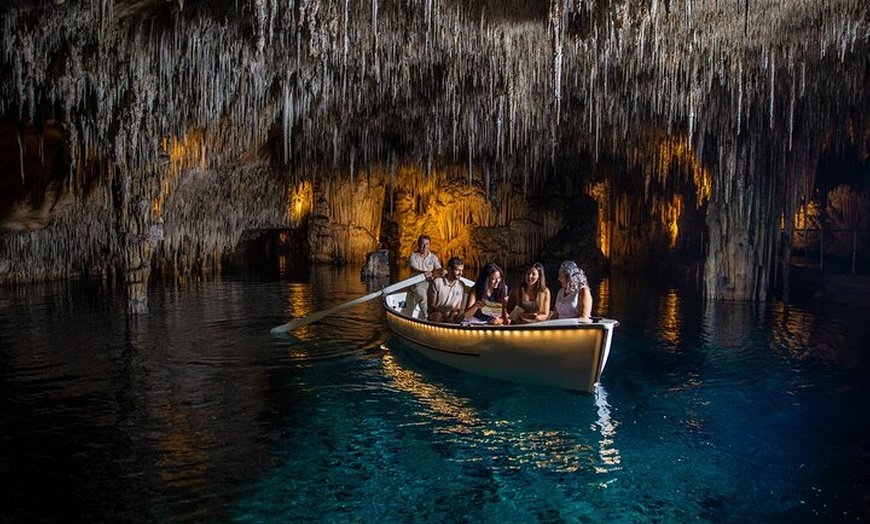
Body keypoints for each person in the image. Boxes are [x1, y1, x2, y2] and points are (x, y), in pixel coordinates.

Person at [406, 234, 443, 318]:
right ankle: (426, 317)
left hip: (430, 282)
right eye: (423, 244)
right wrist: (423, 273)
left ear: (429, 245)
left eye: (427, 244)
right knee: (423, 296)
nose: (425, 246)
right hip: (416, 281)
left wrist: (442, 271)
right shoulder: (413, 255)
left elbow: (438, 268)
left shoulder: (433, 257)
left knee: (441, 292)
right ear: (419, 244)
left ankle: (441, 316)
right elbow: (413, 268)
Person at [427, 256, 466, 323]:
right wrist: (445, 317)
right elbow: (431, 306)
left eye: (461, 270)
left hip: (451, 314)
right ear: (449, 269)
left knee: (460, 315)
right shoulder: (437, 282)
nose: (461, 273)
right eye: (457, 270)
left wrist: (451, 317)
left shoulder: (461, 285)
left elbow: (457, 307)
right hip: (437, 313)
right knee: (437, 316)